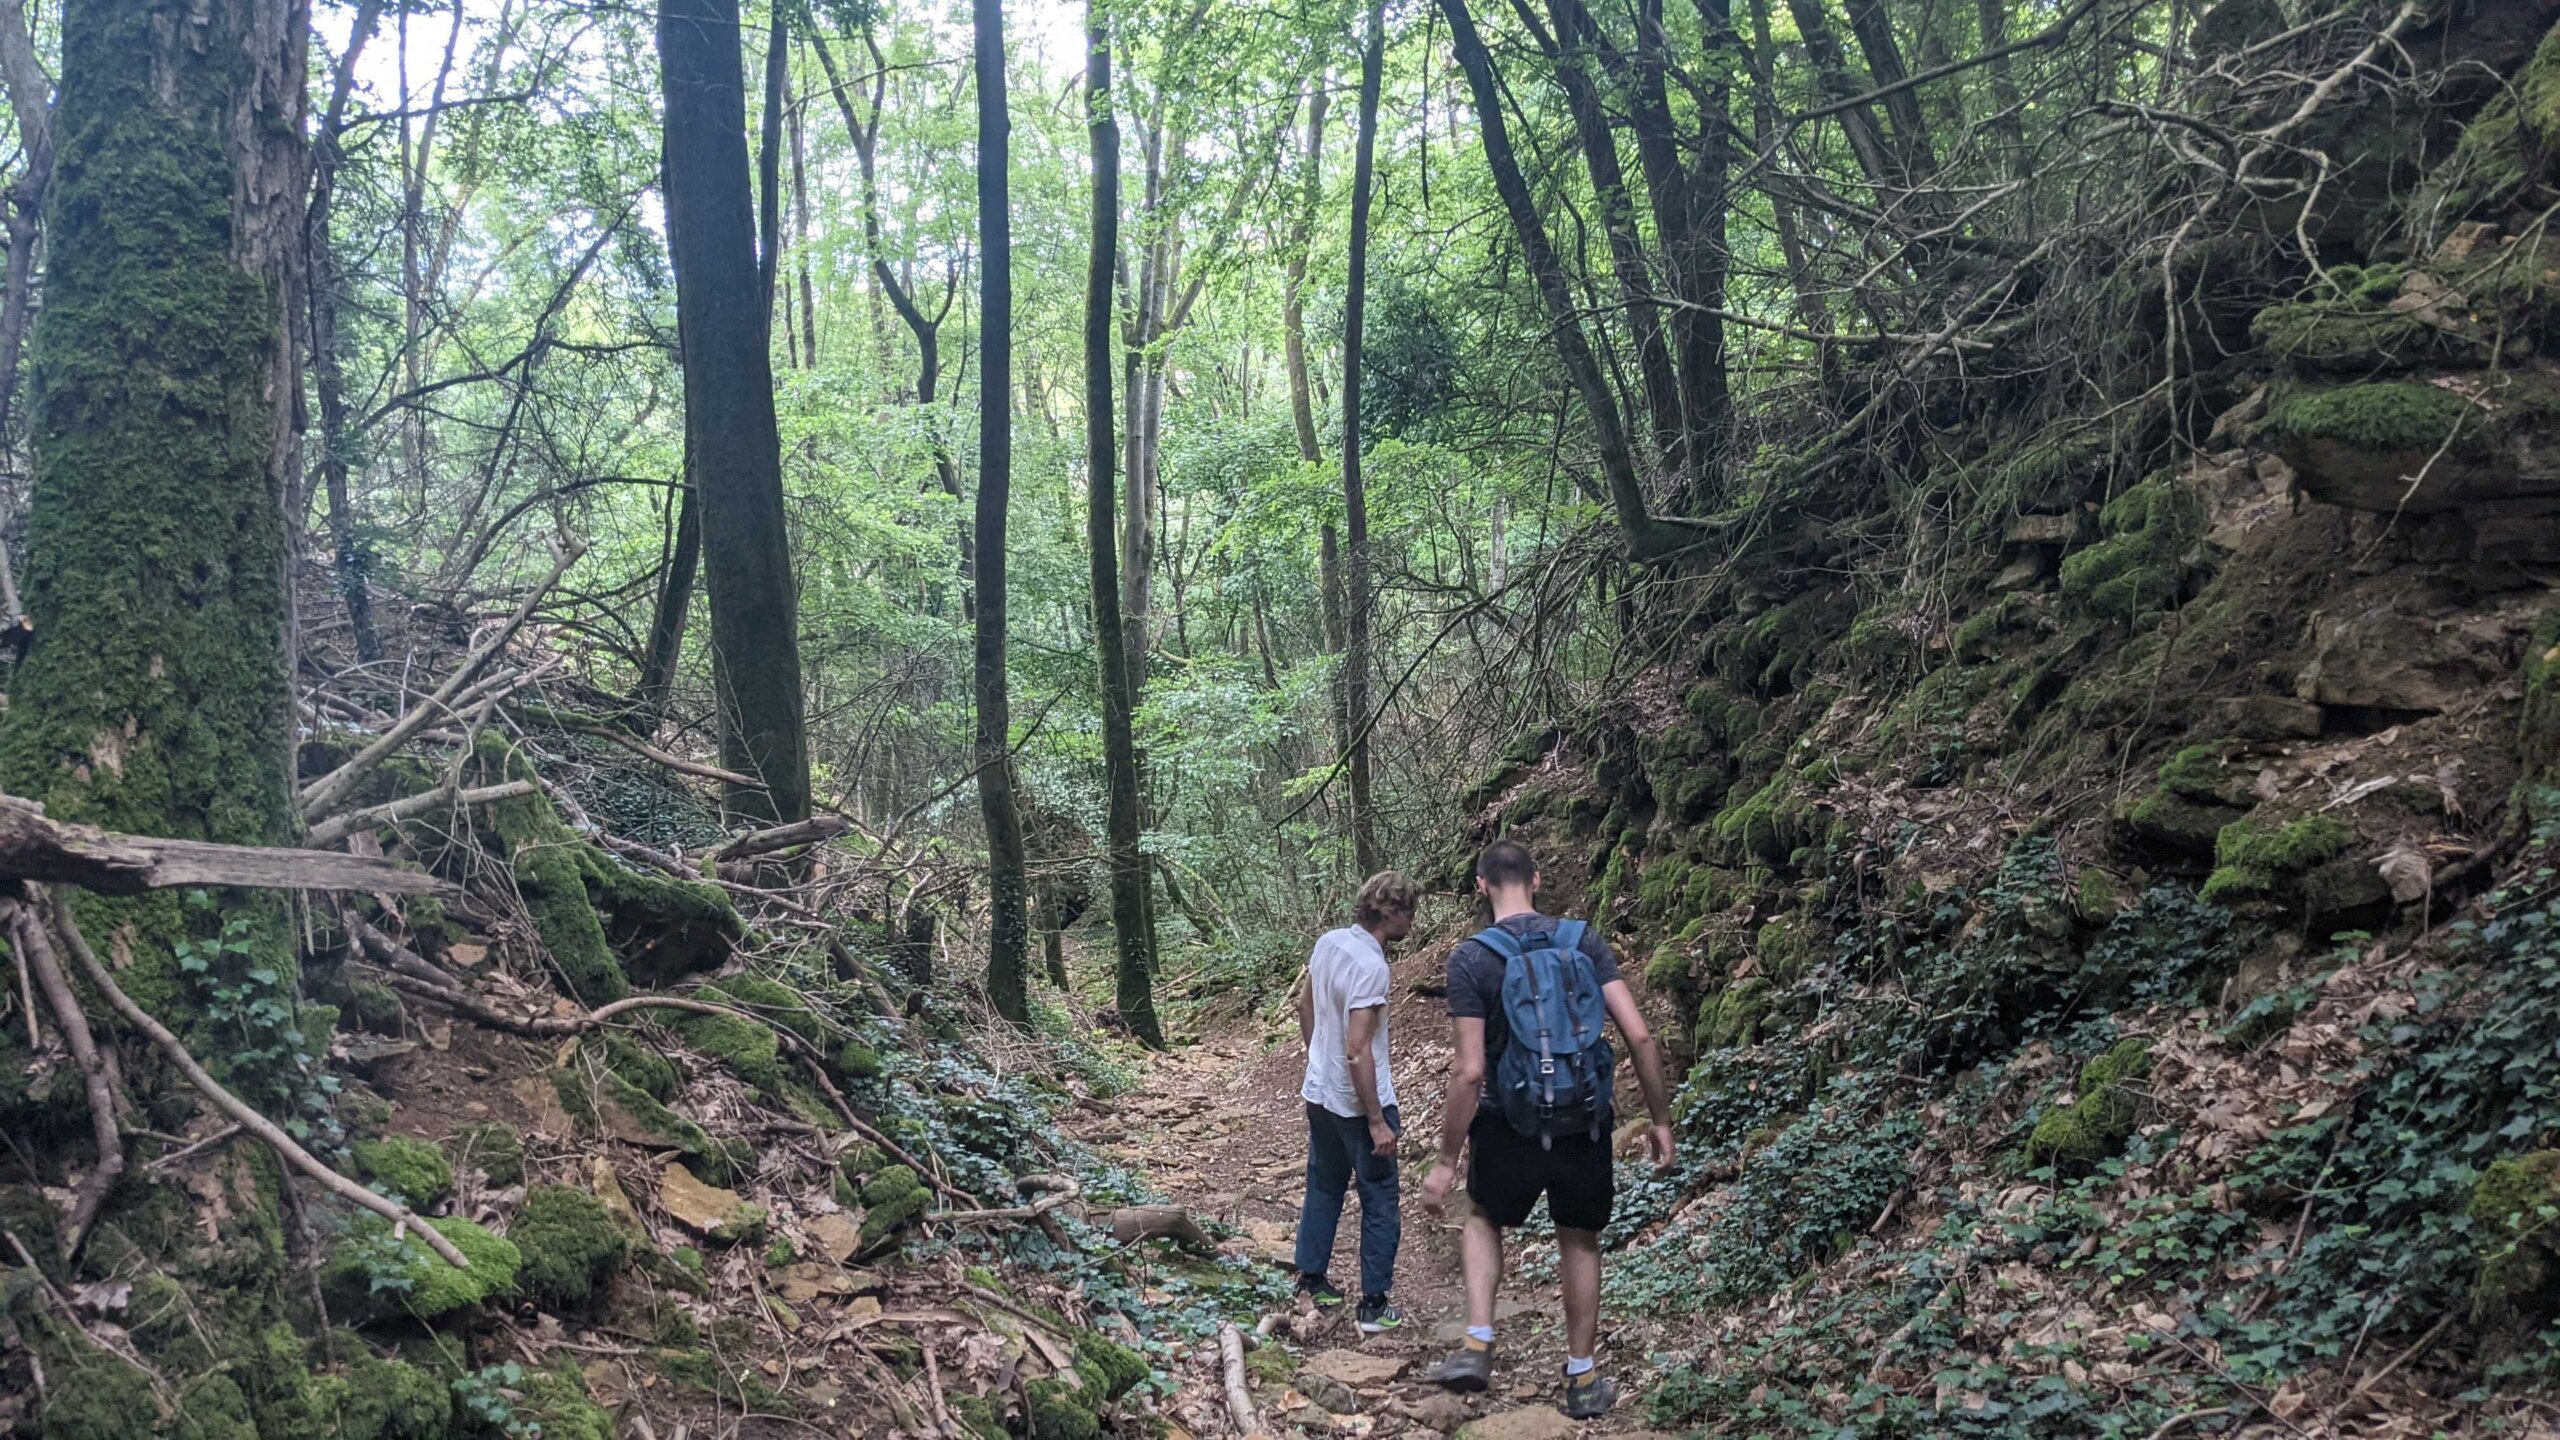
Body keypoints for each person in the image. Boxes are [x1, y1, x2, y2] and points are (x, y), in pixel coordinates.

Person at [1419, 839, 1675, 1419]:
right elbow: (1639, 1036)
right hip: (1583, 1120)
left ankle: (1478, 1341)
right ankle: (1582, 1380)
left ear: (1481, 886)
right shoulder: (1582, 940)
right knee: (1579, 1237)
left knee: (1483, 1217)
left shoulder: (1471, 959)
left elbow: (1470, 1069)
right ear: (1534, 880)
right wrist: (1660, 1121)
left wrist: (1444, 1160)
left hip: (1506, 1121)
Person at [1292, 870, 1420, 1334]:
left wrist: (1315, 1063)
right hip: (1356, 1102)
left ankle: (1312, 1279)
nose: (1413, 921)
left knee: (1324, 1184)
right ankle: (1373, 1307)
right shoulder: (1372, 967)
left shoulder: (1329, 943)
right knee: (1380, 1197)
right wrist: (1376, 1120)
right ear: (1391, 913)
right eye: (1410, 911)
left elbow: (1305, 1007)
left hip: (1319, 1093)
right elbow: (1357, 1048)